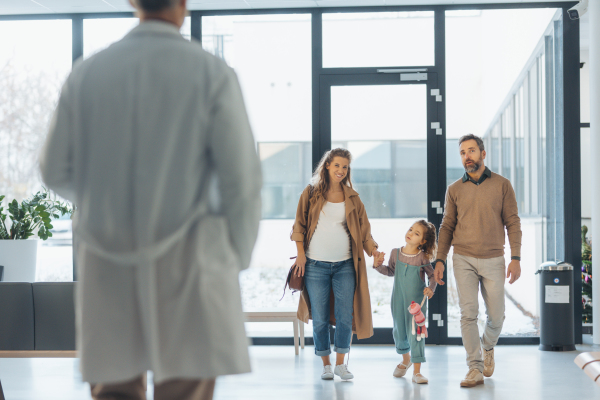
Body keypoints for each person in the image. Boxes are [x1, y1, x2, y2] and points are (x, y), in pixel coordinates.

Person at [39, 0, 262, 399]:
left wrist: (106, 206)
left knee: (114, 389)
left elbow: (54, 170)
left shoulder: (87, 73)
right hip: (193, 264)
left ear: (132, 2)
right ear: (183, 5)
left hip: (107, 263)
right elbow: (241, 181)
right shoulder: (211, 73)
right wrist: (236, 257)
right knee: (185, 387)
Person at [433, 134, 522, 388]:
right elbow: (447, 226)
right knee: (468, 313)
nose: (467, 156)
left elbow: (513, 222)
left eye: (471, 151)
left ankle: (488, 345)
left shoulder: (502, 185)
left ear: (483, 154)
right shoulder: (454, 189)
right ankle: (474, 367)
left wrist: (515, 257)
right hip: (463, 258)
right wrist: (440, 259)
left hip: (494, 257)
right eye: (462, 153)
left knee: (497, 316)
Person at [291, 148, 380, 381]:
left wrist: (374, 251)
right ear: (327, 166)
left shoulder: (353, 197)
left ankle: (341, 364)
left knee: (344, 316)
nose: (341, 170)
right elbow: (298, 226)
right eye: (337, 165)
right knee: (319, 317)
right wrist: (300, 255)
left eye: (345, 167)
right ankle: (326, 364)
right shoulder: (310, 193)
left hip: (345, 266)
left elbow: (365, 232)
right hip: (314, 265)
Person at [373, 220, 437, 384]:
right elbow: (390, 271)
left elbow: (432, 276)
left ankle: (417, 372)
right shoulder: (396, 253)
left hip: (417, 306)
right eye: (410, 229)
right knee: (400, 332)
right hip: (398, 302)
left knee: (416, 335)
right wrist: (377, 266)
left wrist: (431, 288)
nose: (410, 233)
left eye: (417, 233)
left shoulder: (422, 257)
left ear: (422, 242)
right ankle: (406, 359)